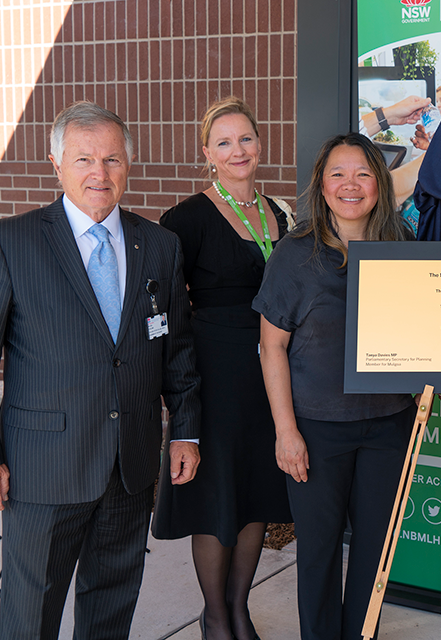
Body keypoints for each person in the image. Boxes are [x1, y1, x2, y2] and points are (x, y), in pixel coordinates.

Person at [0, 101, 201, 639]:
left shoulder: (160, 246)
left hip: (130, 466)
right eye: (84, 160)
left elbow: (178, 348)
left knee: (112, 605)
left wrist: (185, 431)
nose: (100, 173)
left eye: (113, 160)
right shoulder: (8, 243)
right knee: (32, 615)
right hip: (42, 471)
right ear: (56, 164)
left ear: (129, 164)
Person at [254, 133, 417, 640]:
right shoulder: (295, 254)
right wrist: (286, 431)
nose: (351, 185)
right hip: (316, 432)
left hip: (389, 426)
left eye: (363, 174)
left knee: (375, 551)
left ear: (380, 185)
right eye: (338, 174)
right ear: (321, 187)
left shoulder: (404, 248)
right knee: (320, 552)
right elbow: (271, 348)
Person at [151, 97, 292, 640]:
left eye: (247, 140)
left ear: (260, 145)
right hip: (213, 373)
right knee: (217, 494)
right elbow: (164, 305)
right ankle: (214, 616)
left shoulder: (277, 213)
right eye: (225, 142)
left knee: (254, 489)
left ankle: (240, 608)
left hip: (269, 372)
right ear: (208, 153)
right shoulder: (186, 219)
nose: (239, 151)